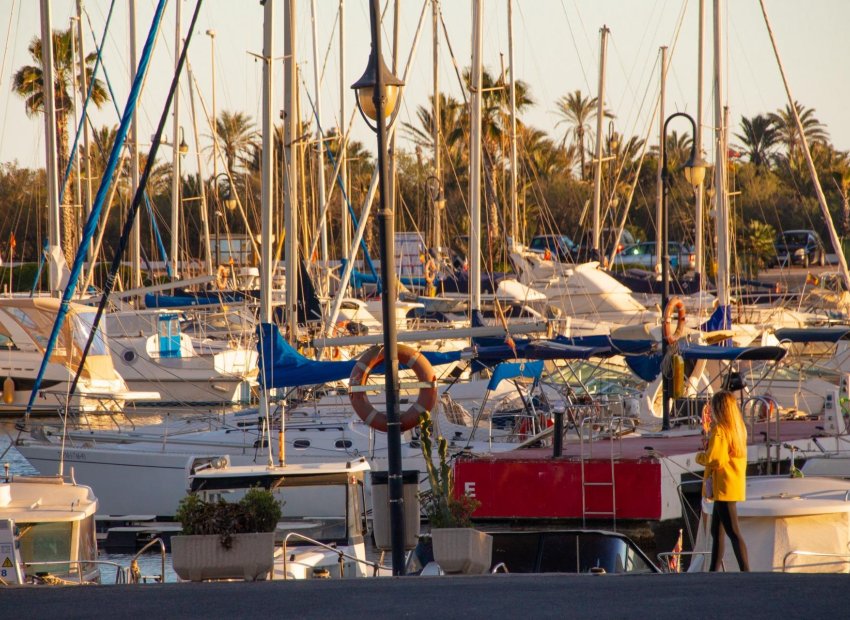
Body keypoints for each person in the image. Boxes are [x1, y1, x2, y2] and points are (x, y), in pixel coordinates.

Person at [696, 390, 750, 572]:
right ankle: (713, 570)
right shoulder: (738, 428)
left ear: (718, 408)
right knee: (716, 530)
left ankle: (745, 570)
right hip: (732, 484)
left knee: (733, 532)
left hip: (723, 486)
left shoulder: (720, 430)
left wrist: (700, 457)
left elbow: (715, 459)